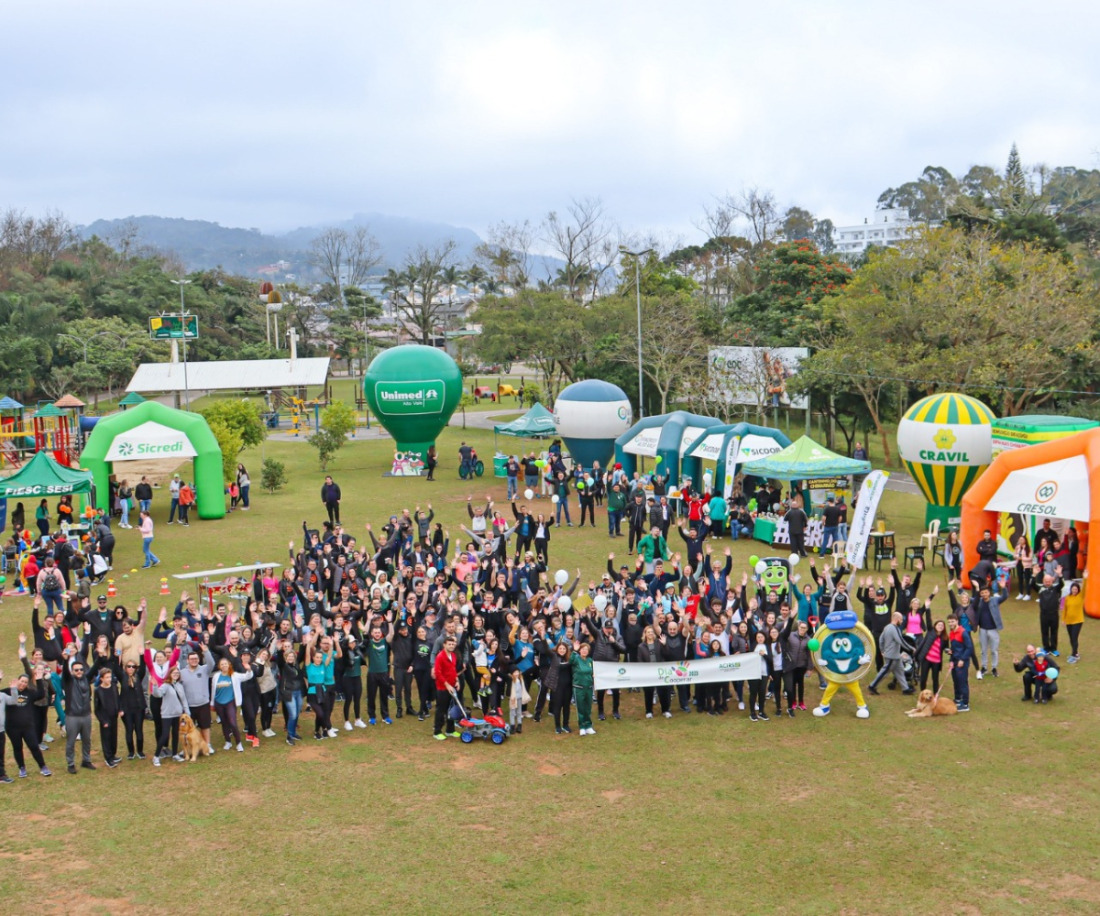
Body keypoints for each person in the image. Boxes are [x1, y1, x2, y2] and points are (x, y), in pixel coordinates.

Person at [61, 648, 97, 773]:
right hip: (72, 716)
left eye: (81, 669)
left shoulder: (86, 679)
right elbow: (65, 672)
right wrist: (65, 661)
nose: (79, 672)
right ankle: (70, 763)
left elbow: (95, 668)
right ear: (72, 671)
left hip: (86, 715)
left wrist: (101, 655)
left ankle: (86, 760)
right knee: (71, 741)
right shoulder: (68, 681)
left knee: (87, 740)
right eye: (76, 670)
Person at [868, 612, 913, 695]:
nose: (902, 621)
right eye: (901, 620)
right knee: (884, 672)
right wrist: (911, 648)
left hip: (895, 655)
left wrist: (882, 650)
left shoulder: (887, 627)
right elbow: (900, 640)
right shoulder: (895, 628)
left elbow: (881, 639)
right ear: (896, 619)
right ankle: (872, 686)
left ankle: (905, 689)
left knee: (900, 671)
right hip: (892, 656)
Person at [151, 666, 188, 764]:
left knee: (175, 734)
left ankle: (175, 754)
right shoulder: (166, 685)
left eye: (177, 673)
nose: (176, 675)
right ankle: (156, 756)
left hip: (178, 714)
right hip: (167, 714)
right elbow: (158, 694)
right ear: (170, 674)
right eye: (174, 673)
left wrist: (187, 712)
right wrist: (154, 686)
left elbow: (184, 700)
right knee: (165, 735)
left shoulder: (180, 685)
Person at [974, 580, 1006, 679]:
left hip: (993, 630)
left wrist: (1004, 587)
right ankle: (984, 667)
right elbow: (968, 600)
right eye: (982, 593)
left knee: (994, 650)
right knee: (983, 650)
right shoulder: (979, 602)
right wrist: (961, 589)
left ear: (989, 592)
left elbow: (1004, 597)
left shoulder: (995, 600)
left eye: (986, 592)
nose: (984, 594)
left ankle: (994, 668)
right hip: (983, 629)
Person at [432, 634, 460, 740]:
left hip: (452, 687)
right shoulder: (440, 656)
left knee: (451, 709)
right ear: (444, 645)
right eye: (449, 644)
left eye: (453, 644)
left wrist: (457, 681)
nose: (452, 646)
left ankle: (450, 730)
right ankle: (437, 731)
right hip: (442, 688)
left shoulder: (453, 655)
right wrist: (447, 685)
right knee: (441, 710)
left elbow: (453, 670)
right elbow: (438, 673)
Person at [93, 668, 121, 768]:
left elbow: (118, 699)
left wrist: (119, 710)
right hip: (105, 718)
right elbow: (96, 709)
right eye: (107, 677)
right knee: (106, 738)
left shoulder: (114, 687)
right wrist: (103, 720)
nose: (109, 679)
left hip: (114, 716)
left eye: (110, 677)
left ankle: (113, 755)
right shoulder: (98, 691)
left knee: (114, 736)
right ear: (101, 679)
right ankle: (108, 758)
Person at [947, 614, 973, 712]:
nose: (951, 624)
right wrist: (951, 658)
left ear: (957, 621)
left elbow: (969, 648)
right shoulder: (951, 632)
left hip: (962, 661)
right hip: (954, 660)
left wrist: (962, 659)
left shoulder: (963, 632)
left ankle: (965, 704)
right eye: (949, 622)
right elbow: (953, 648)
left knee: (962, 682)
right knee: (956, 681)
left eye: (952, 621)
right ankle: (958, 699)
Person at [570, 641, 595, 736]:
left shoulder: (590, 661)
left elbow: (593, 671)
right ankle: (582, 727)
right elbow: (570, 661)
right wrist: (574, 651)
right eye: (583, 649)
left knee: (588, 707)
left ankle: (588, 726)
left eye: (586, 650)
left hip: (588, 687)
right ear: (580, 650)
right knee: (580, 708)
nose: (584, 651)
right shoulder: (576, 659)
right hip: (578, 687)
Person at [916, 620, 948, 694]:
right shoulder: (931, 632)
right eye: (939, 625)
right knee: (923, 678)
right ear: (935, 626)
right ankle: (922, 693)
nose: (940, 626)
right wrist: (927, 609)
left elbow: (946, 648)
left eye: (942, 626)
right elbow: (928, 621)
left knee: (935, 679)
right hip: (927, 659)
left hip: (936, 661)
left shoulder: (945, 638)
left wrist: (948, 651)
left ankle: (935, 695)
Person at [1062, 581, 1084, 664]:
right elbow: (1065, 609)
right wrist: (1064, 619)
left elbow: (1084, 588)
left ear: (1078, 590)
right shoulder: (1068, 597)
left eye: (1076, 589)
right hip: (1069, 621)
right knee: (1071, 638)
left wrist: (1085, 578)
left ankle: (1073, 655)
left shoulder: (1080, 596)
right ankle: (1076, 653)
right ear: (1071, 589)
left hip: (1078, 621)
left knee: (1074, 638)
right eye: (1073, 589)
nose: (1074, 590)